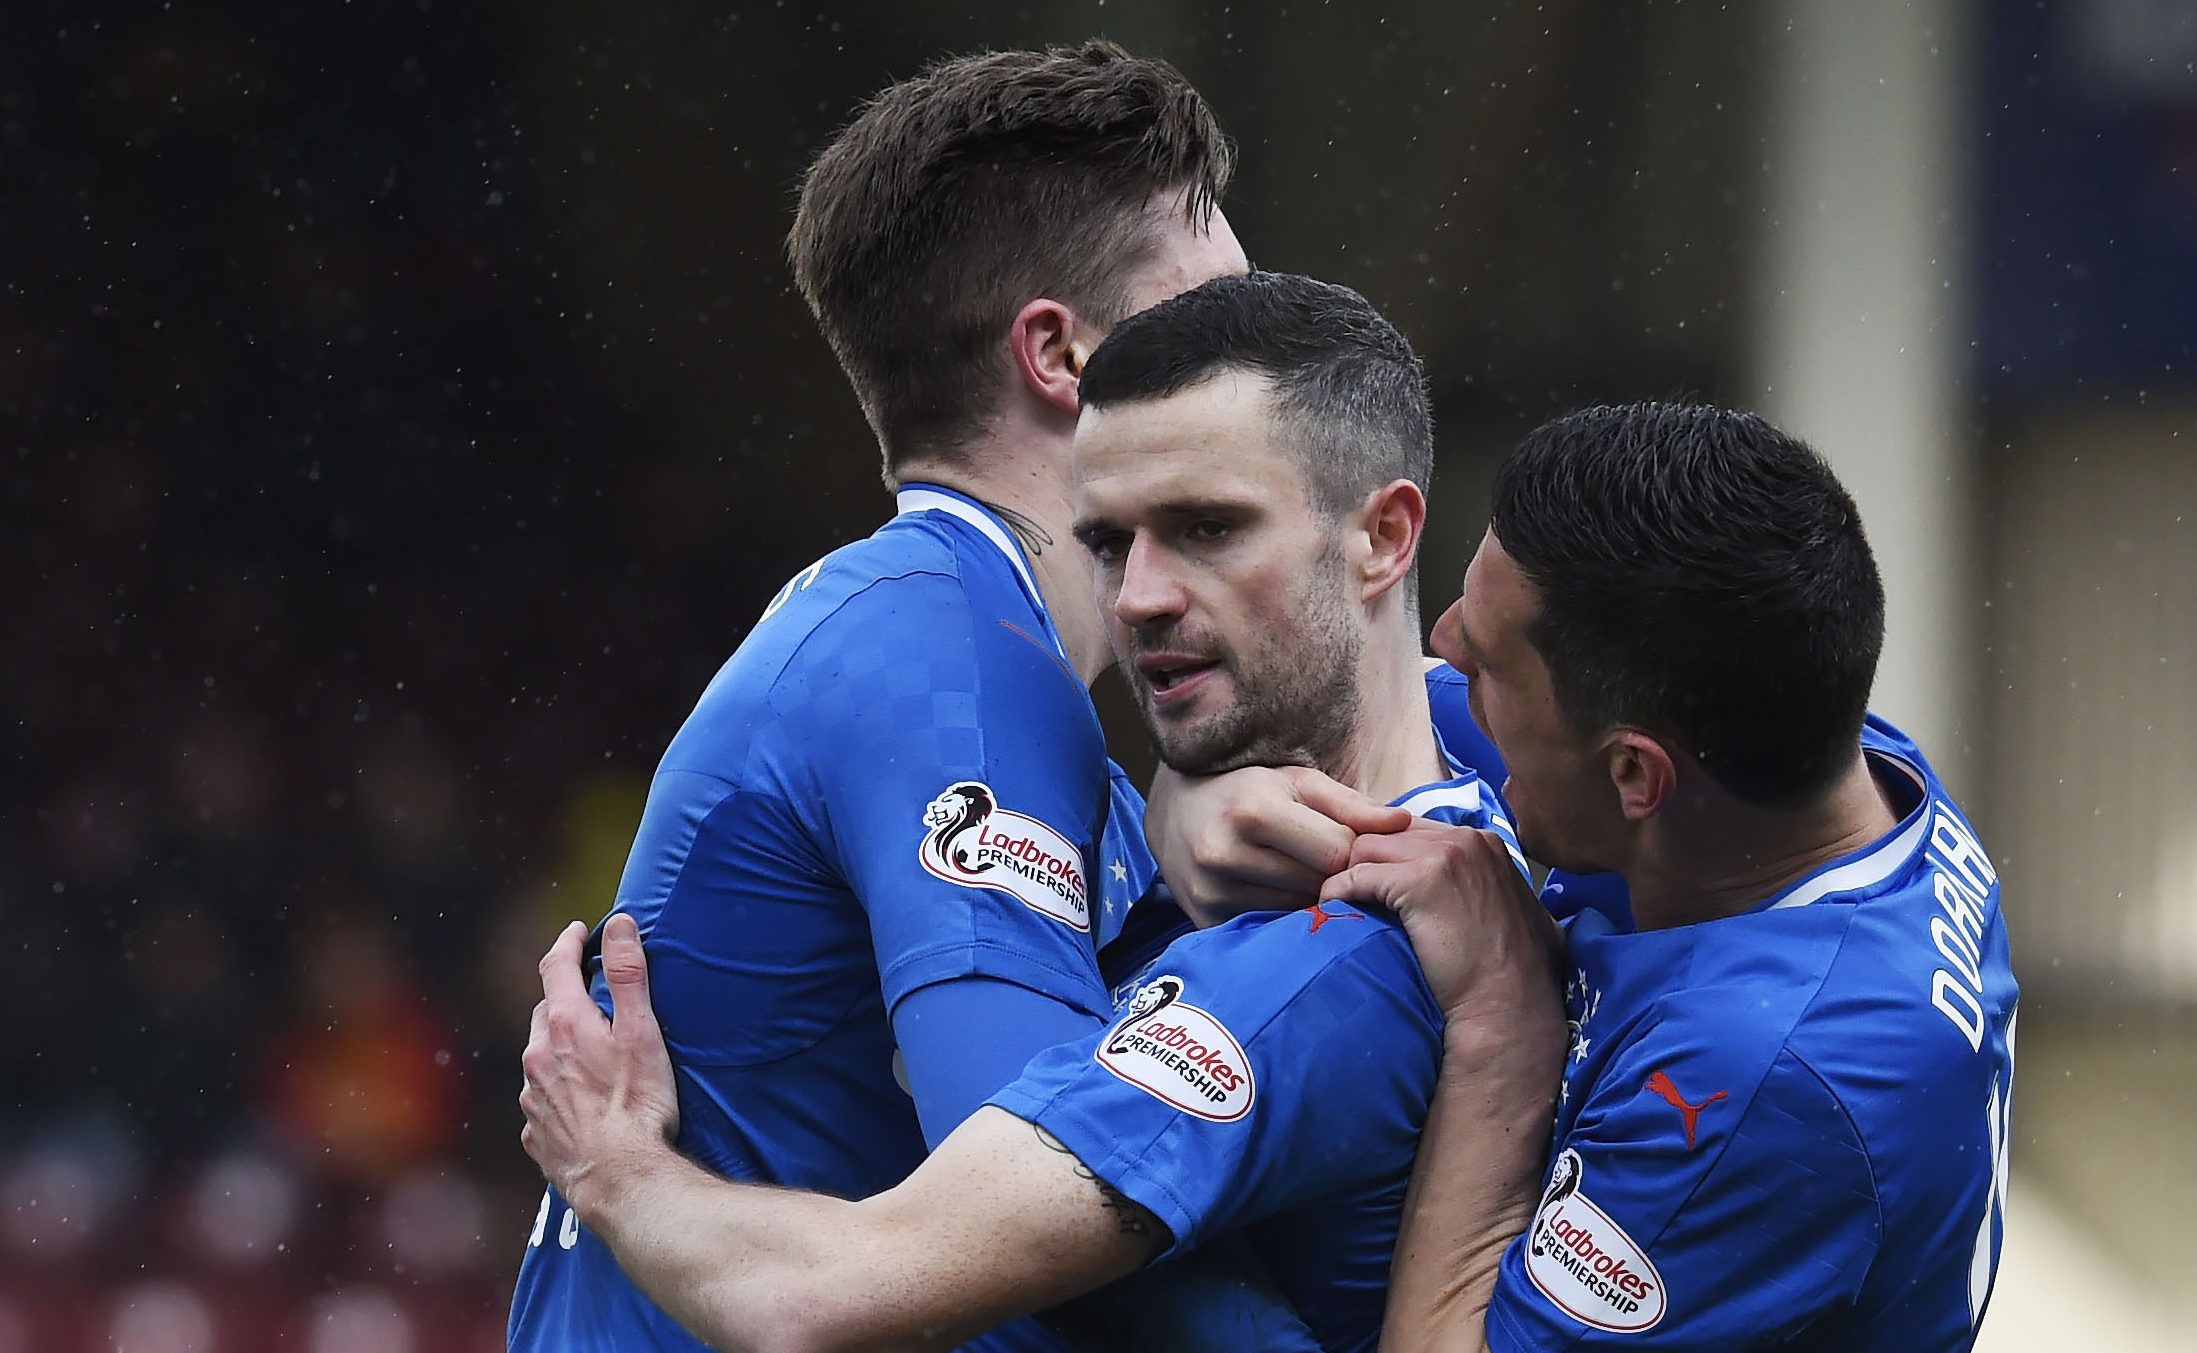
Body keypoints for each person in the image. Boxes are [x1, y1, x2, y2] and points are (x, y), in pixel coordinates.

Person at [516, 272, 1566, 1353]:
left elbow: (818, 1301)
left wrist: (614, 1166)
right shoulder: (1531, 798)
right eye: (1108, 542)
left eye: (1208, 527)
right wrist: (1170, 812)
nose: (1137, 599)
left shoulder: (1304, 982)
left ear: (1384, 538)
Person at [504, 41, 1288, 1352]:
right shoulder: (951, 674)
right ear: (1061, 353)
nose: (1273, 370)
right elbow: (1054, 1199)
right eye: (1223, 317)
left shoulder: (924, 638)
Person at [1254, 403, 2016, 1351]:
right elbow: (1381, 705)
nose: (1441, 640)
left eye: (1486, 664)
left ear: (1633, 775)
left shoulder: (1758, 1078)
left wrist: (1503, 1020)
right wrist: (1197, 799)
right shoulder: (1817, 758)